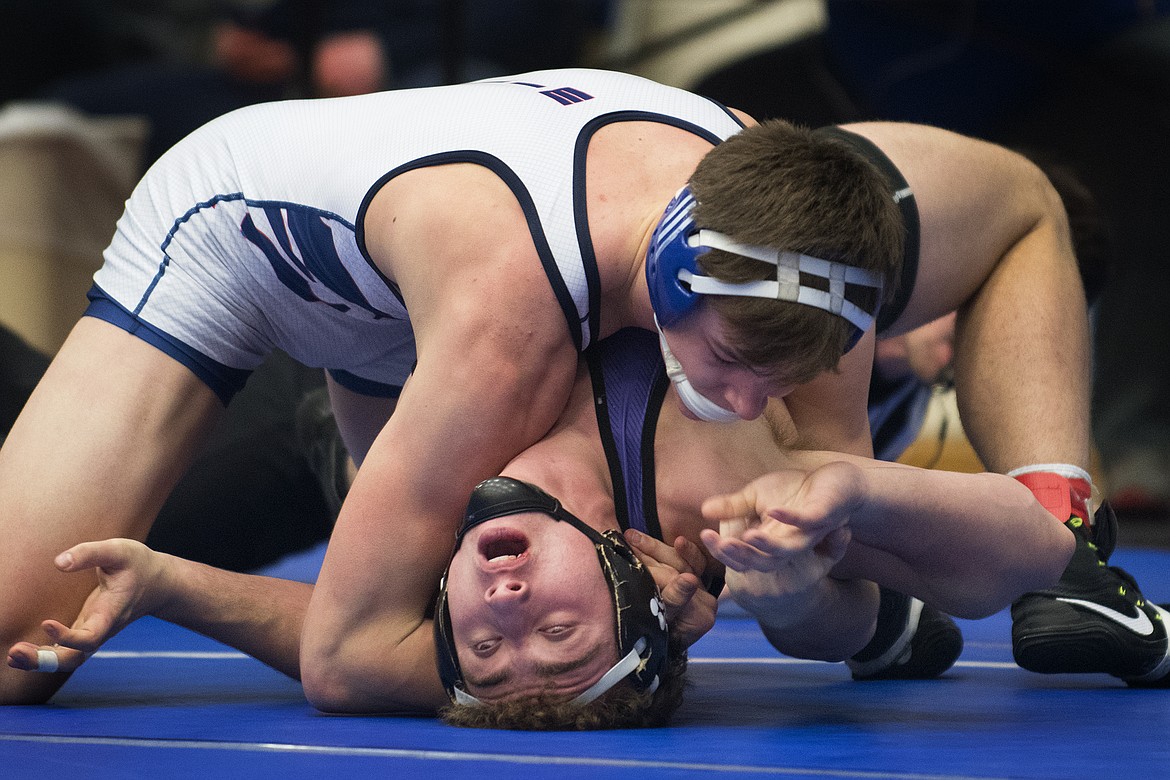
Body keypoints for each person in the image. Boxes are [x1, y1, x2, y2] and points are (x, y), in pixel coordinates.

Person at [0, 66, 1137, 709]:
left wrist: (851, 514)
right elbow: (349, 657)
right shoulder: (515, 322)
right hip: (247, 242)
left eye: (779, 373)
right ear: (667, 281)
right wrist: (835, 539)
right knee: (13, 638)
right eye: (733, 366)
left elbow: (1025, 207)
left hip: (455, 285)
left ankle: (974, 591)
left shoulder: (801, 213)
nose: (743, 401)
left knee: (828, 490)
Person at [7, 328, 1076, 729]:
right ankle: (883, 625)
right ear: (637, 596)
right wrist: (864, 490)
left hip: (315, 441)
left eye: (482, 643)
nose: (508, 615)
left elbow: (345, 648)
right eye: (557, 638)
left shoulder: (433, 576)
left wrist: (162, 585)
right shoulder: (708, 490)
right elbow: (1034, 547)